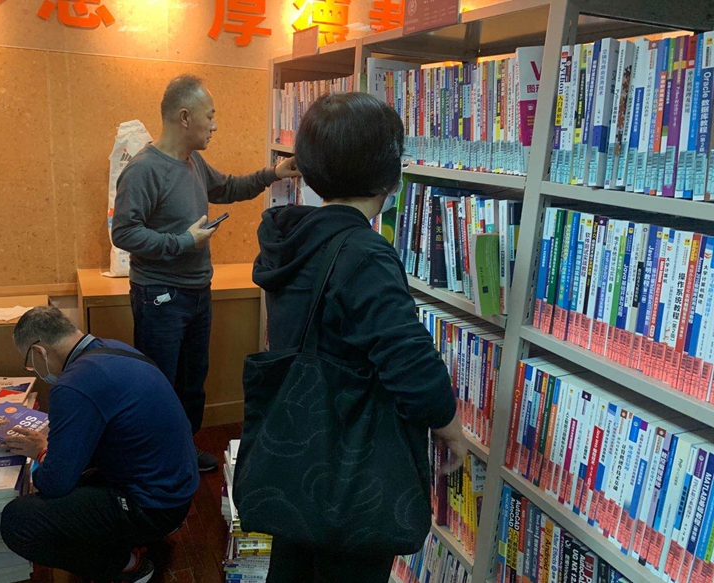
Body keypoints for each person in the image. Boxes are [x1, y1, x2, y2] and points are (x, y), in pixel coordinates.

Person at [252, 92, 467, 583]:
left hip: (298, 451)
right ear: (389, 175)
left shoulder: (290, 238)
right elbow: (407, 357)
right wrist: (449, 425)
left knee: (293, 564)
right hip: (353, 472)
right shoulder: (364, 253)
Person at [112, 74, 300, 472]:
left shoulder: (192, 162)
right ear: (185, 117)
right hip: (160, 296)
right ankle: (157, 465)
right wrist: (183, 241)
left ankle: (182, 450)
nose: (215, 125)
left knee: (191, 382)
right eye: (210, 116)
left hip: (197, 291)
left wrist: (274, 173)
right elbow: (124, 233)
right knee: (159, 384)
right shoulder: (143, 169)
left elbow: (228, 188)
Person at [0, 306, 198, 583]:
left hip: (154, 506)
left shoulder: (73, 385)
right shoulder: (114, 349)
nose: (35, 370)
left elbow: (54, 484)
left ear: (39, 351)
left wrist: (41, 451)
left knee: (18, 522)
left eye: (29, 362)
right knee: (78, 478)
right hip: (178, 489)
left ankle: (128, 566)